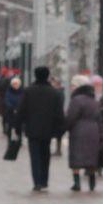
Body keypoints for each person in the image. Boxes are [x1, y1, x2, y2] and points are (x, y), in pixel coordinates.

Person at [18, 65, 67, 193]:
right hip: (48, 129)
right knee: (45, 154)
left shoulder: (28, 91)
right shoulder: (55, 93)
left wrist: (20, 124)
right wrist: (60, 128)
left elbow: (22, 110)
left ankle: (37, 181)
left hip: (32, 129)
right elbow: (59, 113)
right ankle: (44, 180)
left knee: (34, 156)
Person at [65, 73, 103, 192]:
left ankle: (77, 183)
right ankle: (92, 184)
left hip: (78, 131)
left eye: (73, 85)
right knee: (91, 158)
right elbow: (100, 119)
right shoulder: (94, 100)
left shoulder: (76, 100)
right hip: (93, 131)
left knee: (76, 158)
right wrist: (101, 134)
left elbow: (71, 117)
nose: (71, 87)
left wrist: (65, 127)